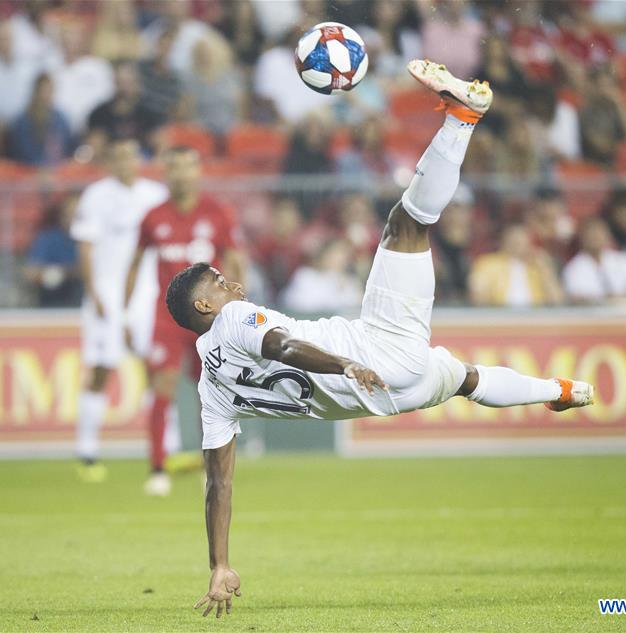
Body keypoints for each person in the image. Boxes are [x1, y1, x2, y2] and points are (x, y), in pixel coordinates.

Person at [161, 61, 594, 616]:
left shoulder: (211, 388)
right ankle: (463, 117)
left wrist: (219, 564)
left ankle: (559, 391)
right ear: (204, 306)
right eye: (219, 283)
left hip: (392, 396)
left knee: (465, 379)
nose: (231, 282)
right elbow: (285, 348)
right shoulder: (233, 319)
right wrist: (343, 364)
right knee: (404, 224)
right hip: (376, 352)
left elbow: (217, 483)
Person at [124, 147, 246, 497]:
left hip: (209, 321)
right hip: (166, 318)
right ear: (166, 173)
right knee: (162, 387)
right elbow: (134, 264)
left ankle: (211, 464)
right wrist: (124, 312)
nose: (181, 174)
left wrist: (240, 306)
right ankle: (158, 467)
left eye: (187, 167)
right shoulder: (153, 217)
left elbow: (236, 260)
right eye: (174, 167)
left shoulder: (217, 212)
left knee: (210, 391)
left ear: (197, 172)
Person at [70, 138, 169, 483]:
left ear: (138, 160)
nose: (124, 163)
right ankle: (87, 450)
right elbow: (85, 245)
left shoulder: (155, 195)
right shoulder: (96, 196)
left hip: (147, 293)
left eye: (130, 156)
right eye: (118, 157)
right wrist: (93, 291)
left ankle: (165, 448)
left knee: (156, 366)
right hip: (107, 292)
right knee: (101, 368)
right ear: (110, 162)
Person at [562, 217, 626, 304]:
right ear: (582, 237)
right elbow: (577, 300)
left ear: (608, 235)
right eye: (590, 233)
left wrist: (609, 300)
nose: (595, 237)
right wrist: (612, 299)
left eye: (599, 232)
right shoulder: (573, 268)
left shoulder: (625, 260)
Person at [24, 195, 82, 308]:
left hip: (84, 301)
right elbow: (31, 273)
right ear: (61, 216)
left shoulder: (94, 241)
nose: (73, 219)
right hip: (53, 302)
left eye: (78, 215)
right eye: (69, 215)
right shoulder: (48, 238)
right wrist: (56, 273)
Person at [6, 74, 74, 167]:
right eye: (43, 91)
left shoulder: (61, 119)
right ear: (36, 92)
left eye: (50, 91)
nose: (46, 95)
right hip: (27, 172)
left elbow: (68, 149)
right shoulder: (22, 122)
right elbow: (19, 153)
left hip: (57, 172)